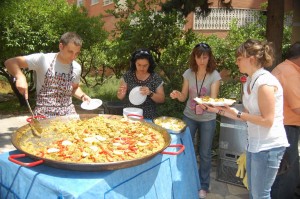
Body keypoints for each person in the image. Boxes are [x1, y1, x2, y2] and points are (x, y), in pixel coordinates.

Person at [200, 39, 289, 199]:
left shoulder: (265, 83)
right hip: (254, 144)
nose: (236, 61)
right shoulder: (250, 81)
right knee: (253, 192)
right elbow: (247, 116)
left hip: (269, 147)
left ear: (252, 59)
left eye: (239, 58)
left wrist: (239, 113)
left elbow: (267, 121)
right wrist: (218, 110)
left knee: (261, 195)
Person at [170, 42, 221, 199]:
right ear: (194, 57)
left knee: (204, 153)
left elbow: (212, 100)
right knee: (185, 149)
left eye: (205, 57)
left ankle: (204, 185)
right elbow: (184, 96)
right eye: (199, 57)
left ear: (209, 57)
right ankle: (185, 179)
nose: (201, 60)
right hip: (189, 116)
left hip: (208, 118)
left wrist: (206, 103)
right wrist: (178, 95)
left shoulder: (215, 75)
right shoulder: (188, 73)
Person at [5, 32, 91, 118]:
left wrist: (83, 96)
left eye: (76, 53)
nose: (73, 57)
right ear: (61, 46)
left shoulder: (76, 67)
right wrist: (20, 76)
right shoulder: (43, 59)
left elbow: (74, 88)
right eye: (70, 52)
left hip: (68, 113)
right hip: (44, 114)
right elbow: (10, 62)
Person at [271, 41, 300, 199]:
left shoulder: (286, 68)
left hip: (286, 126)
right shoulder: (289, 73)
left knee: (289, 170)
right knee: (286, 172)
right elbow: (297, 107)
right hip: (286, 127)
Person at [117, 49, 165, 119]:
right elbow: (120, 97)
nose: (142, 68)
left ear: (150, 64)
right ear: (134, 63)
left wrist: (150, 93)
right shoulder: (128, 76)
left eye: (145, 65)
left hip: (148, 117)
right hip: (130, 115)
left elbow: (162, 99)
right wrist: (121, 94)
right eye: (139, 65)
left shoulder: (155, 78)